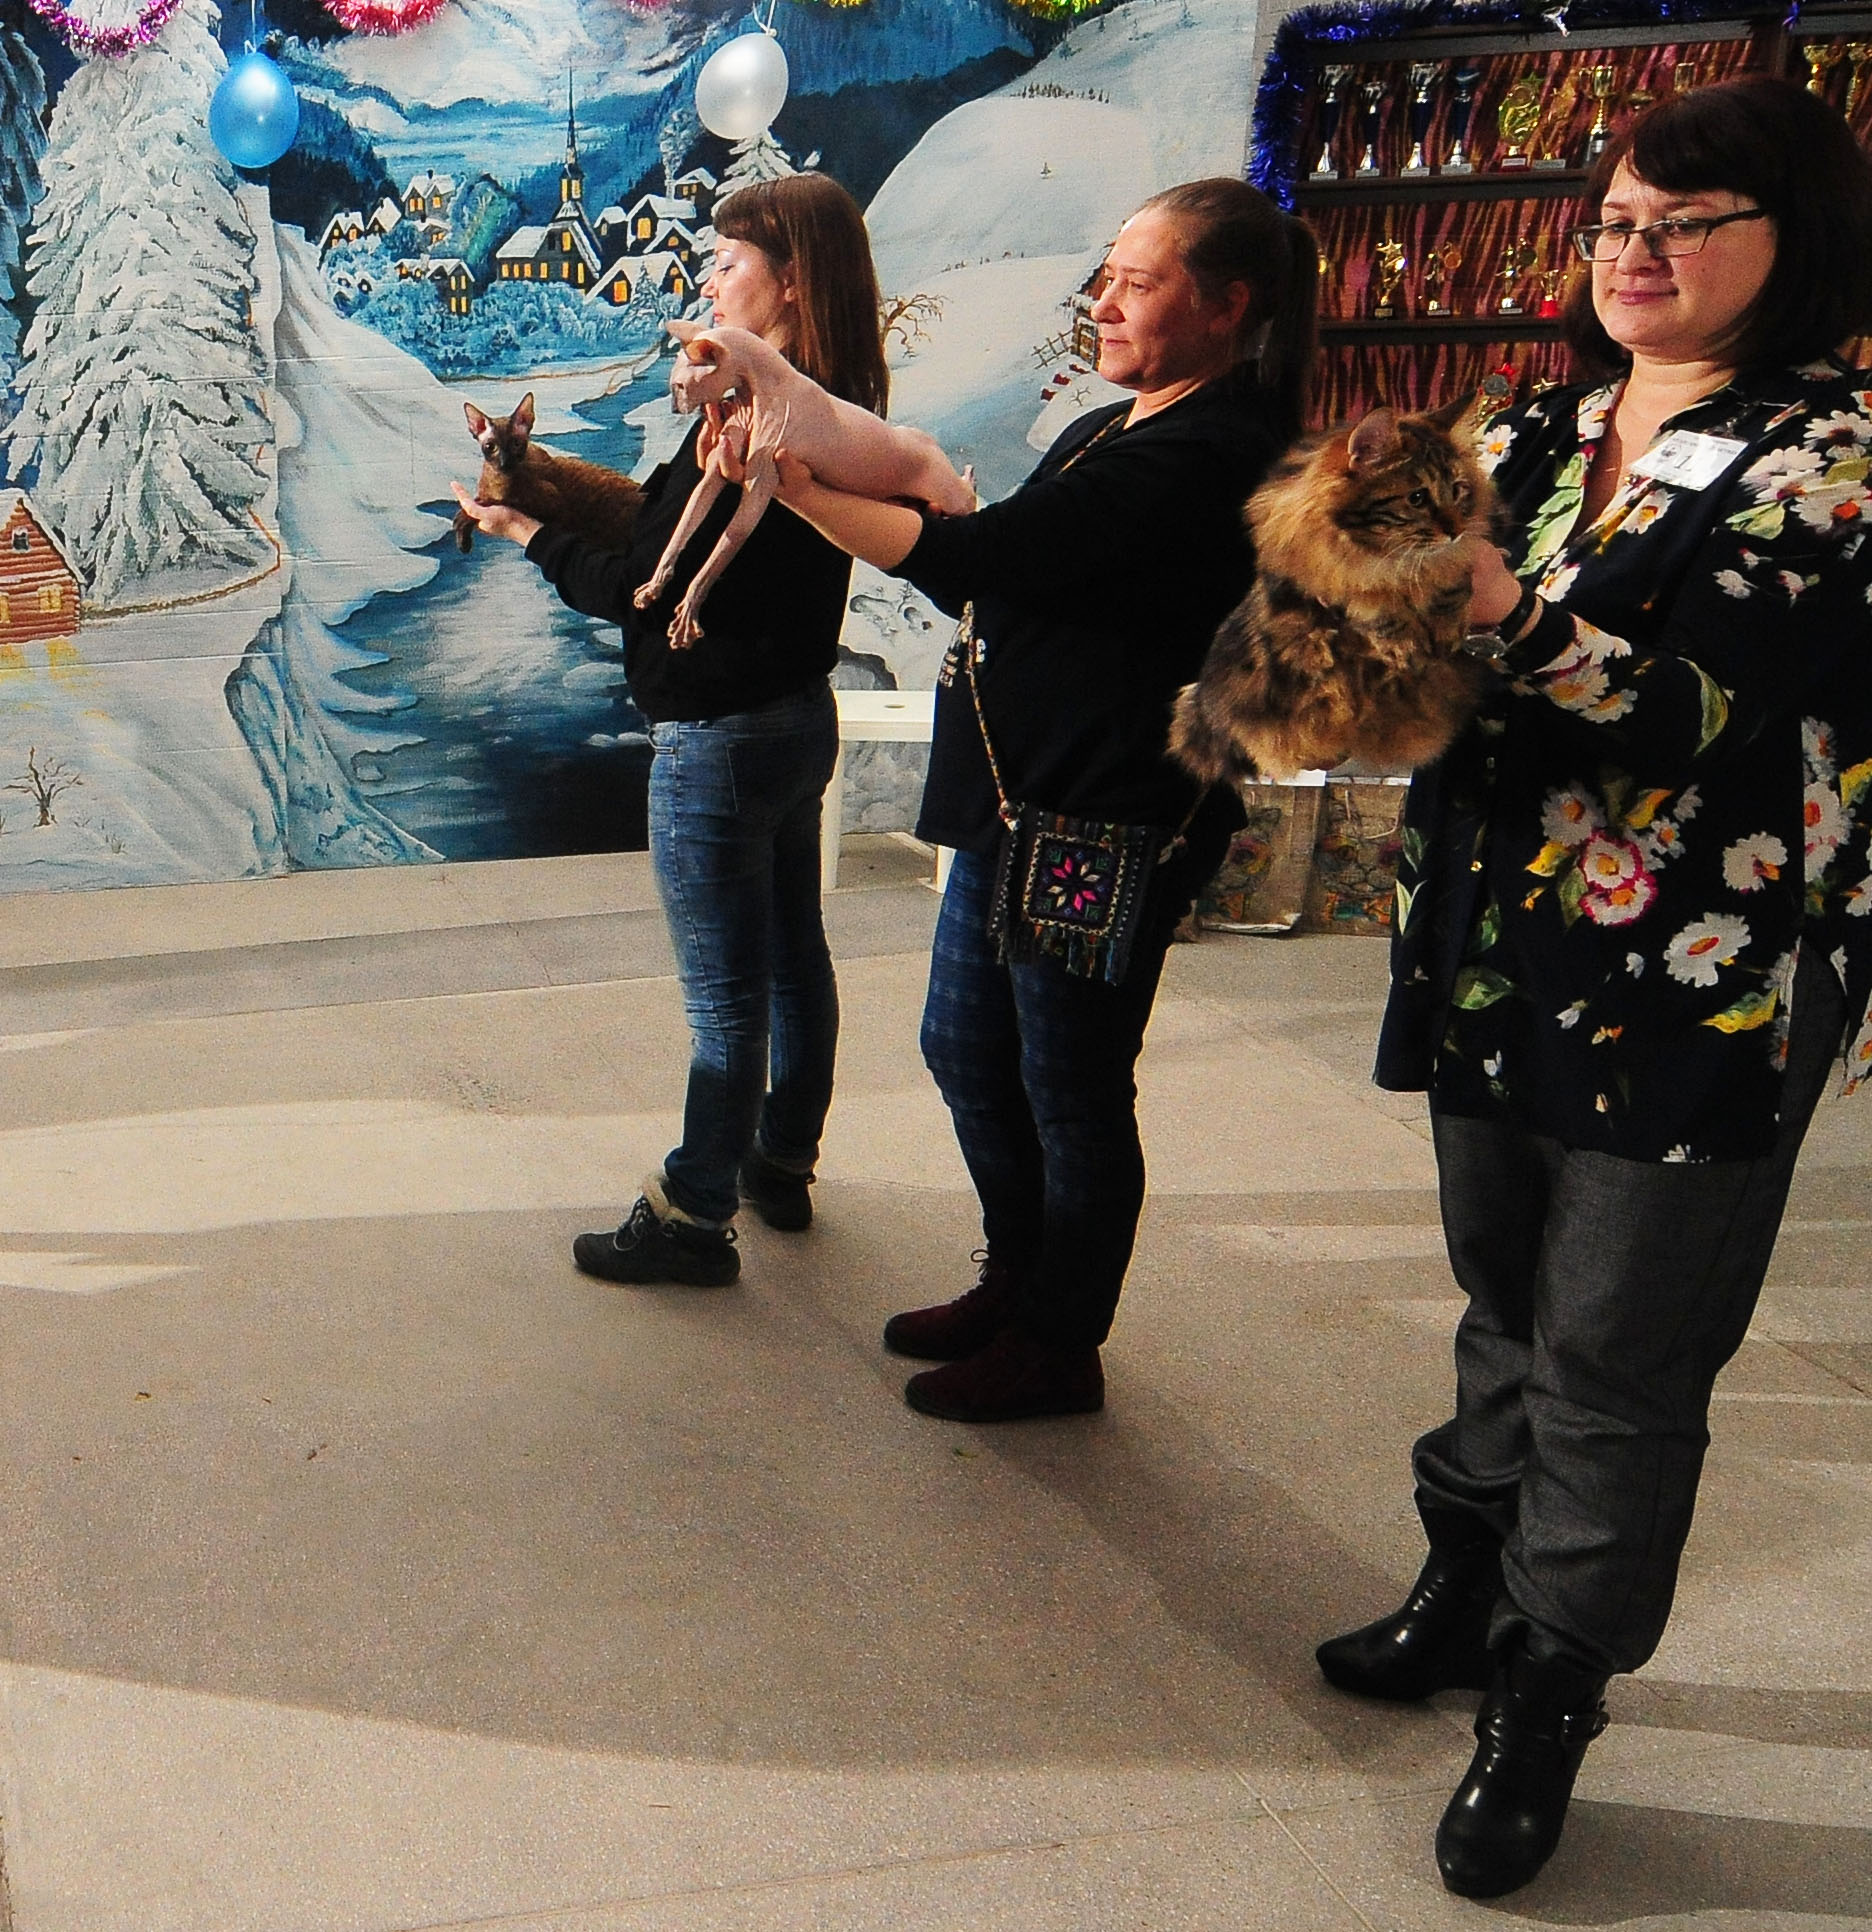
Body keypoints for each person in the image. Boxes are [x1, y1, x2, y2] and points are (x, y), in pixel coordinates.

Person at [1320, 77, 1872, 1901]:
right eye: (1616, 221)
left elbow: (1700, 712)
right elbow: (1413, 638)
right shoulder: (1533, 424)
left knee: (1618, 1352)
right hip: (1492, 929)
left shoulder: (1835, 452)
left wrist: (1496, 610)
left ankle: (1546, 1693)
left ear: (1792, 238)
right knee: (1499, 1288)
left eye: (1682, 223)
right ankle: (1461, 1580)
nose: (1633, 253)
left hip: (1704, 963)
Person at [766, 179, 1312, 1421]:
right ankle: (1017, 1281)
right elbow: (1000, 555)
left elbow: (985, 557)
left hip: (1103, 823)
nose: (1102, 302)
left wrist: (798, 489)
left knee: (1070, 1084)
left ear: (1227, 305)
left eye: (1138, 282)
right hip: (1025, 809)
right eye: (1106, 275)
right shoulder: (1118, 426)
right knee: (968, 1047)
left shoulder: (1210, 450)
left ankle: (1061, 1340)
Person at [453, 172, 882, 1287]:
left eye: (728, 263)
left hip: (719, 743)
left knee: (726, 999)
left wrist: (525, 535)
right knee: (793, 955)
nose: (707, 281)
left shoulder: (747, 427)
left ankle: (694, 1214)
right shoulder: (832, 407)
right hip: (794, 723)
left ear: (792, 282)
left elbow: (639, 587)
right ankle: (781, 1160)